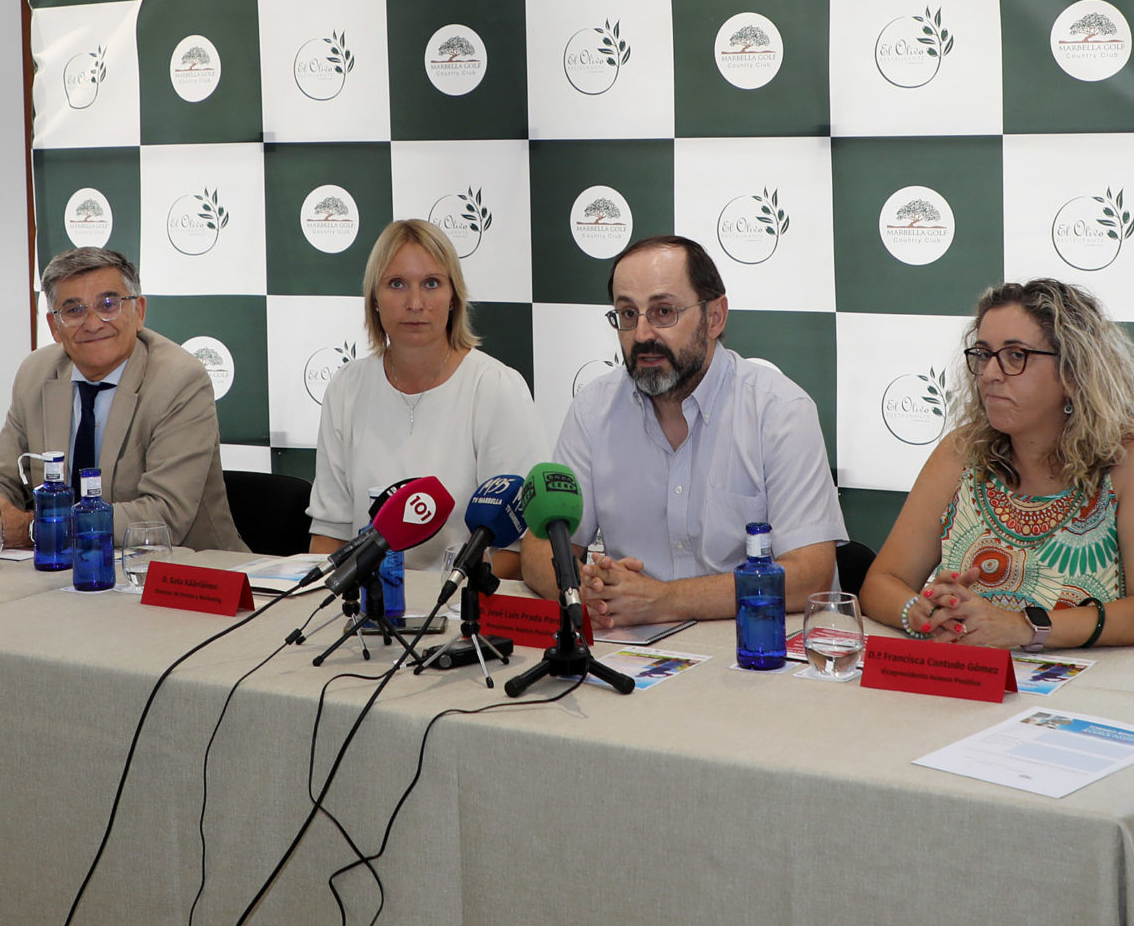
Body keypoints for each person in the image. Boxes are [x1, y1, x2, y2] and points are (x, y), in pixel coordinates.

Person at [525, 234, 843, 626]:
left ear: (715, 317)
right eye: (628, 314)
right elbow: (540, 550)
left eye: (663, 312)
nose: (642, 334)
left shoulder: (779, 412)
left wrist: (663, 601)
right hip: (629, 644)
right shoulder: (593, 409)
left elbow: (809, 576)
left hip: (752, 647)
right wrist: (582, 590)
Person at [860, 278, 1134, 650]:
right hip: (980, 678)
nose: (989, 374)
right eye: (984, 354)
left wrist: (1024, 628)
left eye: (1016, 355)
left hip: (1116, 681)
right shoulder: (961, 451)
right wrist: (920, 611)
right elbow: (881, 582)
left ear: (1072, 372)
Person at [0, 246, 242, 549]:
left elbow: (164, 515)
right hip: (63, 567)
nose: (93, 323)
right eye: (74, 311)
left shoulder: (179, 379)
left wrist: (37, 528)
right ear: (54, 327)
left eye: (108, 305)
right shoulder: (36, 373)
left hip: (181, 565)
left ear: (139, 312)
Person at [306, 220, 537, 577]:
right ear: (374, 299)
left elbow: (516, 549)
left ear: (453, 297)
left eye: (431, 283)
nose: (415, 303)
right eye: (397, 284)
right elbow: (329, 534)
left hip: (460, 600)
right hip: (369, 602)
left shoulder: (496, 387)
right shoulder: (346, 387)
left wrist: (441, 599)